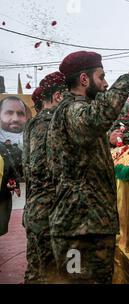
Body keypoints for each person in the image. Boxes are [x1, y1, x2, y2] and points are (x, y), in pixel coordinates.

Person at [47, 51, 129, 283]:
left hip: (88, 228)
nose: (106, 83)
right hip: (78, 232)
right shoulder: (71, 110)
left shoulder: (77, 110)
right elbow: (95, 118)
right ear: (84, 80)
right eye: (101, 77)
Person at [22, 73, 65, 283]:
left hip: (38, 210)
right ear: (58, 96)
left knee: (36, 270)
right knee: (48, 274)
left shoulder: (36, 122)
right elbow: (40, 168)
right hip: (47, 212)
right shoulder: (46, 123)